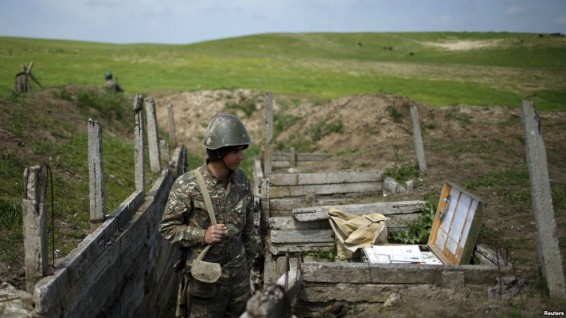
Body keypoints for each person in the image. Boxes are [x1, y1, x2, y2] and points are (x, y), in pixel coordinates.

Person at [160, 113, 259, 318]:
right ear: (219, 153)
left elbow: (249, 229)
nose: (241, 157)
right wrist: (202, 235)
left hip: (239, 278)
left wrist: (247, 265)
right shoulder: (188, 185)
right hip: (206, 280)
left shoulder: (241, 181)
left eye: (241, 151)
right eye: (235, 152)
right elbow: (168, 229)